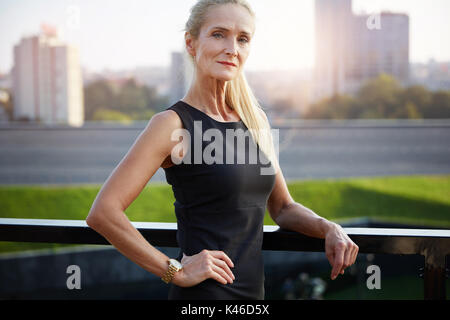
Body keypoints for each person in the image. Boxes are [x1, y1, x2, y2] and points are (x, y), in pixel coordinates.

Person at [85, 0, 359, 300]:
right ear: (191, 43)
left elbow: (282, 208)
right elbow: (104, 213)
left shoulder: (256, 120)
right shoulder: (171, 124)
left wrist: (329, 227)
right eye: (218, 34)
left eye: (242, 39)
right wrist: (174, 270)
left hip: (254, 298)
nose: (232, 48)